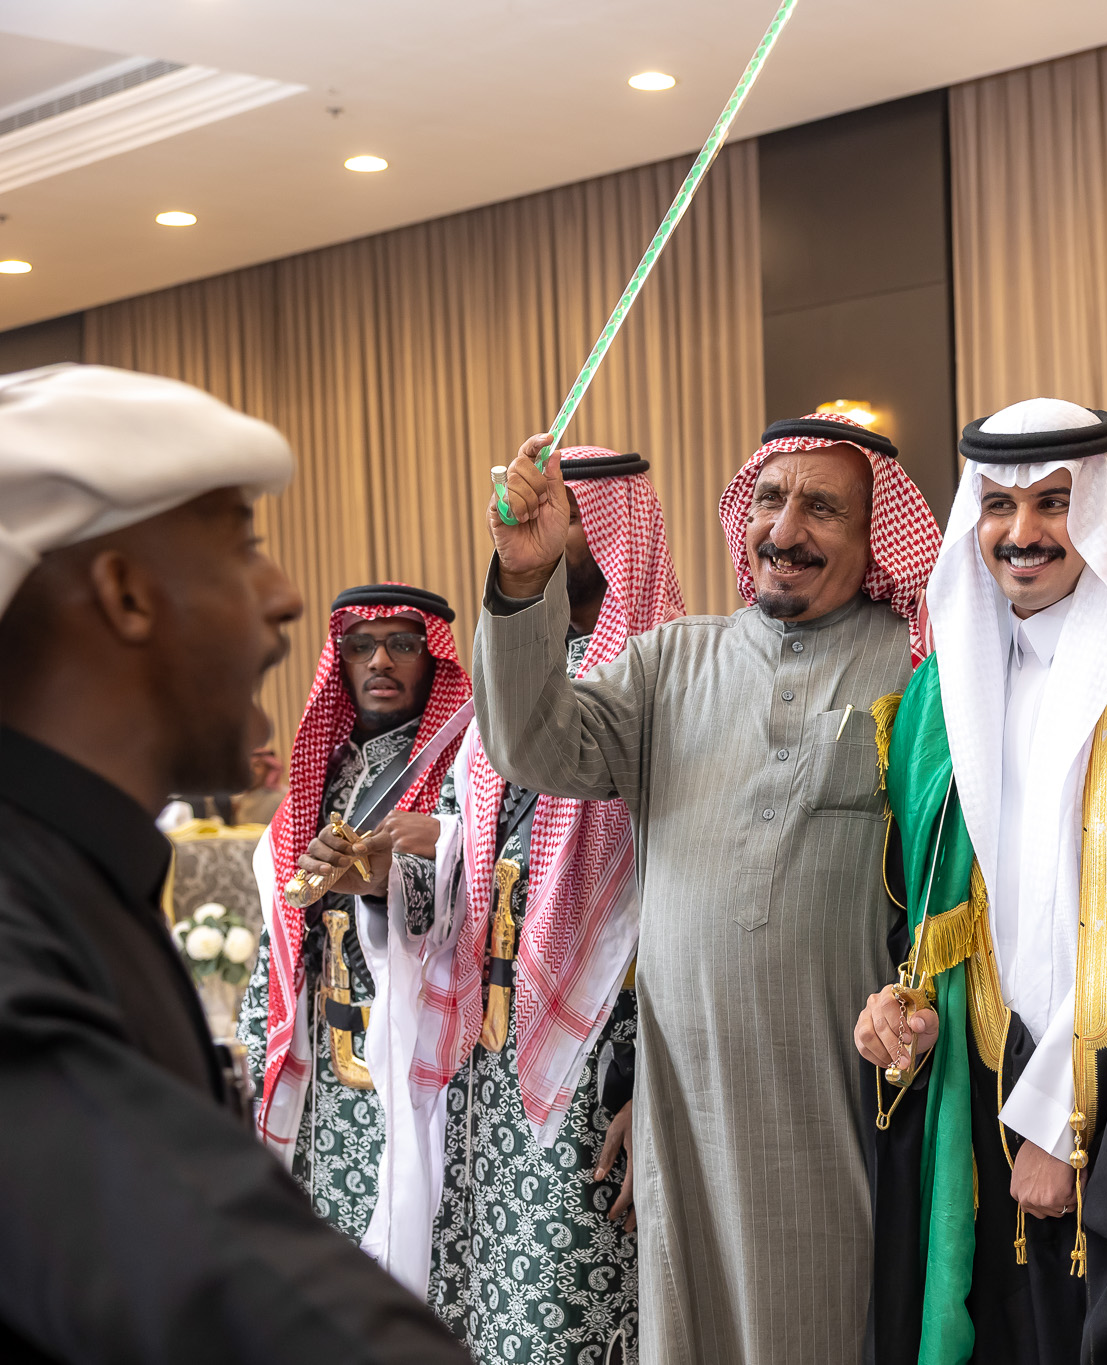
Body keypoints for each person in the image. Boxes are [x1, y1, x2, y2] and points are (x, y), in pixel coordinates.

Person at [0, 361, 466, 1360]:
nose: (285, 597)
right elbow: (189, 1253)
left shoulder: (81, 869)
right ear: (127, 595)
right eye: (241, 546)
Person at [476, 413, 943, 1364]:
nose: (785, 530)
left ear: (875, 537)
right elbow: (533, 744)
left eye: (822, 509)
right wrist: (524, 578)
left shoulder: (918, 664)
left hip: (838, 1096)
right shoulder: (670, 663)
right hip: (685, 1102)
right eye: (770, 499)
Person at [857, 399, 1107, 1363]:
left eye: (1053, 502)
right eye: (999, 505)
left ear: (1095, 507)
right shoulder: (945, 688)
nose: (1023, 533)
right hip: (990, 1082)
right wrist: (911, 1009)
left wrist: (1064, 1115)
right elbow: (946, 905)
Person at [333, 447, 684, 1360]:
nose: (552, 531)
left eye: (574, 517)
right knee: (486, 1312)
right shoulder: (512, 682)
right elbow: (471, 866)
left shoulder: (672, 681)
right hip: (491, 1061)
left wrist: (656, 1090)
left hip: (604, 1068)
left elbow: (694, 907)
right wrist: (381, 873)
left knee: (573, 1311)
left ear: (621, 534)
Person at [239, 581, 472, 1244]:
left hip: (418, 1048)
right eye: (361, 646)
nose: (380, 661)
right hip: (325, 1049)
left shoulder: (467, 767)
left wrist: (387, 873)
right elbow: (285, 923)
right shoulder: (327, 769)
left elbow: (480, 890)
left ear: (434, 658)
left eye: (402, 645)